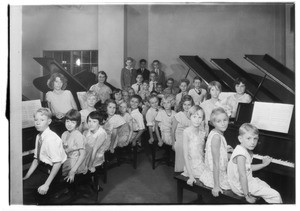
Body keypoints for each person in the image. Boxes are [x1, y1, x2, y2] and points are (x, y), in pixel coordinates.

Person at [227, 123, 282, 203]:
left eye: (255, 139)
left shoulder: (242, 149)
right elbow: (242, 176)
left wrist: (264, 164)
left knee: (267, 187)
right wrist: (247, 196)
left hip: (247, 181)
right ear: (240, 138)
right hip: (241, 185)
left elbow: (249, 168)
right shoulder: (241, 155)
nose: (252, 142)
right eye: (248, 138)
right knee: (276, 195)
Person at [23, 108, 67, 204]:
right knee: (21, 180)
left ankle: (37, 204)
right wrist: (27, 176)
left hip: (52, 171)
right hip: (42, 167)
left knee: (23, 188)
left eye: (42, 120)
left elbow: (57, 163)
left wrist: (46, 185)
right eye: (36, 120)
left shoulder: (51, 139)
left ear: (49, 121)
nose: (38, 123)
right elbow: (36, 159)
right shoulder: (39, 136)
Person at [200, 107, 233, 197]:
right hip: (216, 177)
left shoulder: (215, 132)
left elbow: (216, 152)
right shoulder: (217, 137)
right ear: (213, 123)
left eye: (225, 120)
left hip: (212, 173)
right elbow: (215, 162)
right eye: (219, 121)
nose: (223, 124)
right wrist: (216, 186)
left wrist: (225, 149)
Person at [182, 105, 206, 186]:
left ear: (203, 119)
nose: (197, 120)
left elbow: (202, 152)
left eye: (200, 117)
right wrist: (191, 176)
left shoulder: (203, 133)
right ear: (190, 117)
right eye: (194, 116)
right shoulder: (186, 132)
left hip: (201, 164)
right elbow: (185, 156)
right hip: (191, 167)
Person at [61, 109, 86, 182]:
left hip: (76, 163)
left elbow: (83, 155)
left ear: (77, 123)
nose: (69, 124)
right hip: (67, 159)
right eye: (67, 121)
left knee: (55, 171)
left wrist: (73, 171)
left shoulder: (78, 135)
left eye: (73, 122)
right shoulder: (64, 134)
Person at [172, 95, 194, 172]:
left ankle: (190, 173)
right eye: (184, 104)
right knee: (182, 148)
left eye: (189, 105)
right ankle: (181, 172)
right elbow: (173, 131)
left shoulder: (193, 116)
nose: (186, 107)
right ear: (182, 104)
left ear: (192, 105)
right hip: (180, 138)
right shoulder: (178, 115)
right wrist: (173, 143)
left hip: (190, 138)